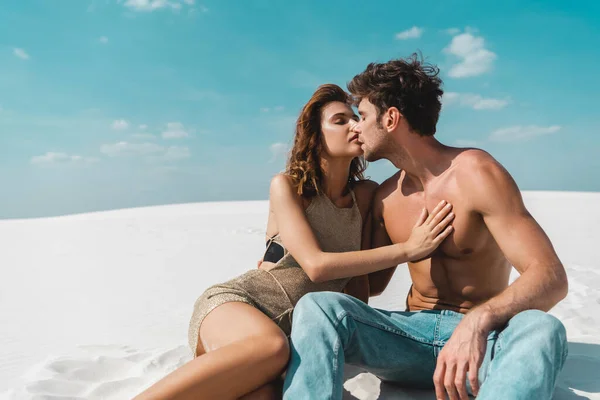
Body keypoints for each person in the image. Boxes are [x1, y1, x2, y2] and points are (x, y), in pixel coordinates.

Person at [134, 84, 455, 400]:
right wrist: (408, 250)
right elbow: (316, 266)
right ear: (315, 134)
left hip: (290, 342)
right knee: (269, 346)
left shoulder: (366, 196)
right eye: (340, 120)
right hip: (238, 306)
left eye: (356, 118)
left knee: (266, 394)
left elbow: (364, 287)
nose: (355, 126)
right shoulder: (288, 187)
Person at [283, 55, 569, 400]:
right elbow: (366, 288)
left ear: (390, 119)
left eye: (363, 115)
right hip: (408, 340)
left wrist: (477, 323)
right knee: (319, 308)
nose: (356, 127)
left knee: (542, 327)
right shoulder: (385, 197)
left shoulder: (476, 173)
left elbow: (550, 276)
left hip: (484, 340)